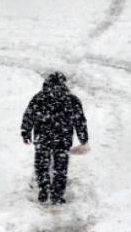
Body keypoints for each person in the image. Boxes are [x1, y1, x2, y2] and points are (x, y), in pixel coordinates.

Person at [21, 72, 88, 205]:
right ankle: (57, 196)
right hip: (63, 139)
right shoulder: (72, 100)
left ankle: (44, 190)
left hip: (42, 138)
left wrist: (26, 132)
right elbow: (80, 121)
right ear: (64, 83)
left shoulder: (39, 98)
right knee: (60, 169)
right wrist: (83, 138)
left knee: (42, 166)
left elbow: (29, 115)